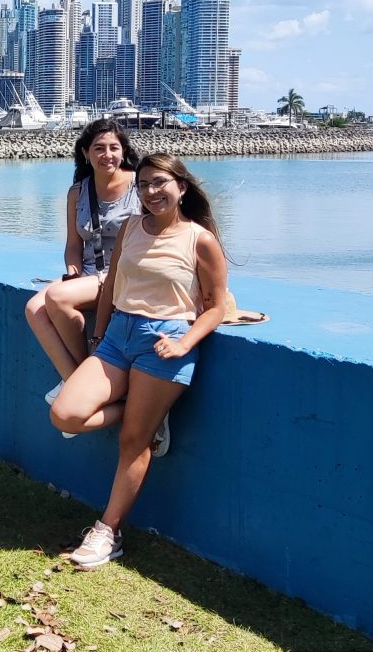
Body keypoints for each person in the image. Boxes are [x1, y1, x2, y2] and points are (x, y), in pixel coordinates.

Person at [48, 153, 229, 569]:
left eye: (159, 183)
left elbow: (216, 308)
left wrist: (185, 345)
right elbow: (110, 287)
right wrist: (98, 336)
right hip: (117, 337)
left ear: (181, 187)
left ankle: (107, 532)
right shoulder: (132, 226)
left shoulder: (199, 239)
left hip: (166, 339)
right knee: (65, 414)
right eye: (143, 184)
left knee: (133, 443)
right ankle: (147, 414)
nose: (150, 192)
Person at [25, 120, 142, 410]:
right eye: (99, 148)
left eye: (114, 148)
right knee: (34, 309)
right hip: (89, 275)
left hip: (123, 275)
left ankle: (79, 385)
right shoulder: (78, 192)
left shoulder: (140, 186)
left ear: (124, 151)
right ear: (86, 153)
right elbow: (73, 245)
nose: (107, 155)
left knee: (55, 297)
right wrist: (73, 271)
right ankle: (78, 380)